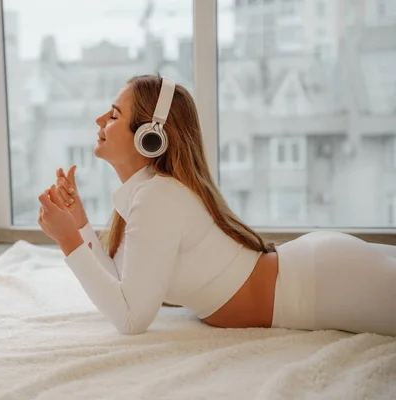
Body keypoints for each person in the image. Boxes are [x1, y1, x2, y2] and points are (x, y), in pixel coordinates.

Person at [37, 74, 396, 336]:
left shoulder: (158, 198)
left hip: (319, 283)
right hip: (316, 276)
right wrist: (78, 223)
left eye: (114, 115)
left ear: (150, 136)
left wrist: (69, 241)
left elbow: (131, 319)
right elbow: (120, 283)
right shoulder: (149, 194)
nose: (100, 120)